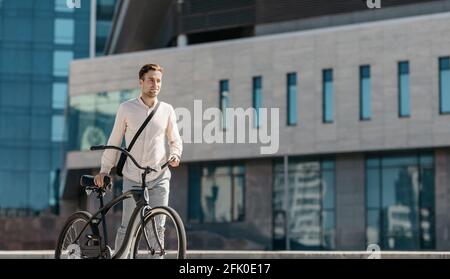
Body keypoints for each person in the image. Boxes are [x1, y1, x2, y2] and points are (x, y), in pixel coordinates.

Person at [94, 63, 182, 257]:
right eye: (151, 80)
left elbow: (175, 139)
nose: (155, 84)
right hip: (133, 176)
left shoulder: (167, 110)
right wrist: (105, 169)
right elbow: (115, 139)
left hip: (159, 176)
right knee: (128, 227)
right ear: (141, 82)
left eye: (158, 81)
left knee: (157, 227)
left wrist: (175, 154)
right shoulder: (126, 108)